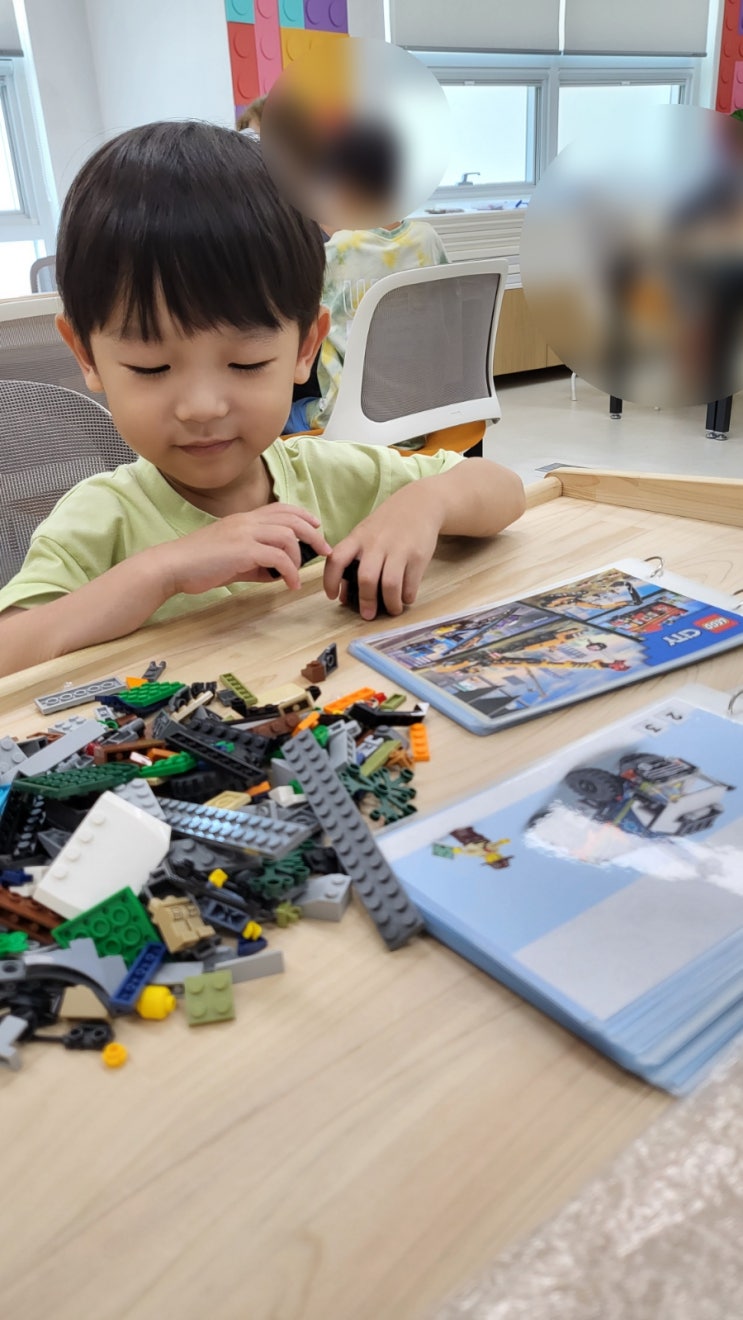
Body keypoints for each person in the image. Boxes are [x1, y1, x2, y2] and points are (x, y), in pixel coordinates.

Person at [0, 121, 525, 677]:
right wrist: (160, 572)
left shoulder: (328, 474)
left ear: (306, 348)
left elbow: (505, 490)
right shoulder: (99, 519)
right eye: (151, 368)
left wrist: (425, 504)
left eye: (246, 363)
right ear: (86, 356)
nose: (202, 407)